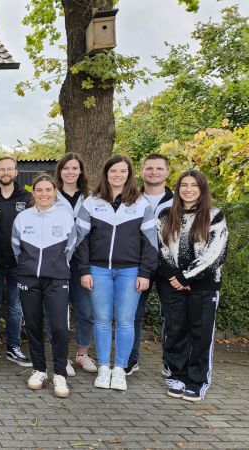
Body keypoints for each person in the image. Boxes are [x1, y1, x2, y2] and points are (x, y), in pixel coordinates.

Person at [74, 155, 157, 392]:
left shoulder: (141, 204)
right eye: (113, 171)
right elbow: (81, 241)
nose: (118, 175)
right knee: (101, 320)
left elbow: (151, 243)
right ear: (106, 173)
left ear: (129, 175)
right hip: (98, 270)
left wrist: (145, 272)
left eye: (123, 171)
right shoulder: (91, 202)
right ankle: (104, 367)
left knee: (125, 322)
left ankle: (119, 369)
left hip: (130, 271)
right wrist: (84, 270)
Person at [156, 170, 228, 402]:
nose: (188, 189)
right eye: (184, 185)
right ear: (178, 189)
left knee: (201, 334)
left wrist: (186, 277)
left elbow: (215, 253)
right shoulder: (166, 215)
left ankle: (197, 381)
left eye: (194, 185)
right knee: (175, 330)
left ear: (202, 189)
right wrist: (174, 277)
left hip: (204, 285)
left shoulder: (214, 215)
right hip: (172, 284)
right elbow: (160, 249)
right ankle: (176, 375)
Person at [12, 174, 76, 398]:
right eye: (39, 190)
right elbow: (16, 247)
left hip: (57, 279)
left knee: (59, 327)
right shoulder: (23, 218)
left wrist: (55, 266)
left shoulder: (65, 217)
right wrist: (28, 268)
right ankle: (39, 370)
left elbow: (71, 247)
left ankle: (60, 373)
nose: (44, 194)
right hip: (28, 279)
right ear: (34, 193)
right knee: (33, 325)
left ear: (55, 192)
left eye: (48, 190)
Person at [0, 156, 33, 368]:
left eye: (9, 169)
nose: (5, 173)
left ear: (16, 172)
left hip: (18, 264)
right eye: (1, 169)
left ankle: (13, 347)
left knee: (15, 308)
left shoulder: (27, 198)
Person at [127, 153, 174, 376]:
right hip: (138, 266)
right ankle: (130, 360)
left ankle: (171, 363)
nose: (154, 172)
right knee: (132, 314)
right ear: (142, 171)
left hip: (169, 266)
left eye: (159, 168)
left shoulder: (178, 201)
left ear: (167, 172)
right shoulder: (131, 199)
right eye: (149, 168)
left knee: (171, 316)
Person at [53, 153, 97, 374]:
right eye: (66, 168)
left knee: (86, 310)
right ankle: (62, 357)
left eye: (74, 168)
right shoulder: (52, 194)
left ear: (80, 171)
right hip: (58, 261)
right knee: (59, 313)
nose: (70, 172)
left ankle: (82, 354)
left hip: (84, 262)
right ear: (60, 171)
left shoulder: (92, 197)